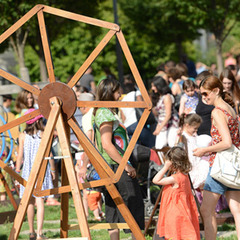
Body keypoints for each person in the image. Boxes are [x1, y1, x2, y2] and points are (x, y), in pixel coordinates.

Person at [92, 77, 144, 240]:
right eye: (117, 91)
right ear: (109, 92)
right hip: (115, 165)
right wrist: (125, 166)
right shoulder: (105, 113)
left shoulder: (102, 111)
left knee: (113, 205)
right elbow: (107, 144)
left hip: (108, 165)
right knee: (133, 202)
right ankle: (136, 237)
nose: (120, 94)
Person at [193, 75, 240, 240]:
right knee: (237, 211)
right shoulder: (230, 108)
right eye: (201, 95)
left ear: (216, 90)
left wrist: (204, 150)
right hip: (232, 165)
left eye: (206, 94)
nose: (204, 98)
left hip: (220, 165)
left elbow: (226, 142)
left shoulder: (217, 111)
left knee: (206, 210)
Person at [15, 108, 55, 240]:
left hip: (27, 171)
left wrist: (17, 172)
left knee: (29, 202)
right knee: (40, 201)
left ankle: (31, 232)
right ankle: (39, 233)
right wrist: (53, 170)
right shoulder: (44, 134)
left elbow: (20, 156)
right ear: (39, 120)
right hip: (41, 170)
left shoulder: (22, 136)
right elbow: (49, 154)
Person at [152, 146, 200, 240]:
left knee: (175, 236)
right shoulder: (185, 177)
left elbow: (155, 180)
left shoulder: (175, 178)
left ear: (172, 163)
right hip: (184, 212)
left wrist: (165, 167)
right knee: (183, 235)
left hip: (174, 213)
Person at [177, 113, 210, 190]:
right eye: (195, 128)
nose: (196, 130)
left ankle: (203, 198)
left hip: (196, 162)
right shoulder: (183, 137)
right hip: (190, 165)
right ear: (187, 125)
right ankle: (202, 199)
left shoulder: (193, 136)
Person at [120, 83, 155, 148]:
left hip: (128, 127)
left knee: (137, 150)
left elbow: (123, 118)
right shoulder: (136, 93)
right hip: (137, 124)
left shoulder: (123, 100)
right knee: (152, 145)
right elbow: (141, 104)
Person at [151, 76, 179, 150]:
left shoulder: (167, 97)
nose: (153, 88)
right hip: (162, 124)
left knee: (172, 145)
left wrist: (159, 129)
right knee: (159, 147)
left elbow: (168, 114)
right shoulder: (160, 97)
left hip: (171, 124)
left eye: (154, 86)